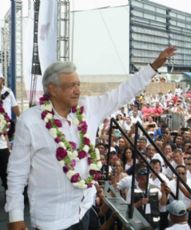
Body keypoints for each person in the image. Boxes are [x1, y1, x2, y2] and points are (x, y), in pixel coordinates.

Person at [5, 46, 176, 230]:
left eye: (78, 84)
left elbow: (123, 92)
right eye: (71, 86)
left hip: (86, 209)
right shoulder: (30, 121)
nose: (78, 90)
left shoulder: (89, 108)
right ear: (52, 89)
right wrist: (16, 217)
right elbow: (17, 173)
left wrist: (154, 65)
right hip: (53, 220)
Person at [0, 74, 20, 191]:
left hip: (4, 138)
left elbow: (16, 109)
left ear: (2, 80)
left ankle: (9, 195)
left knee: (6, 170)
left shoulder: (8, 92)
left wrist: (21, 121)